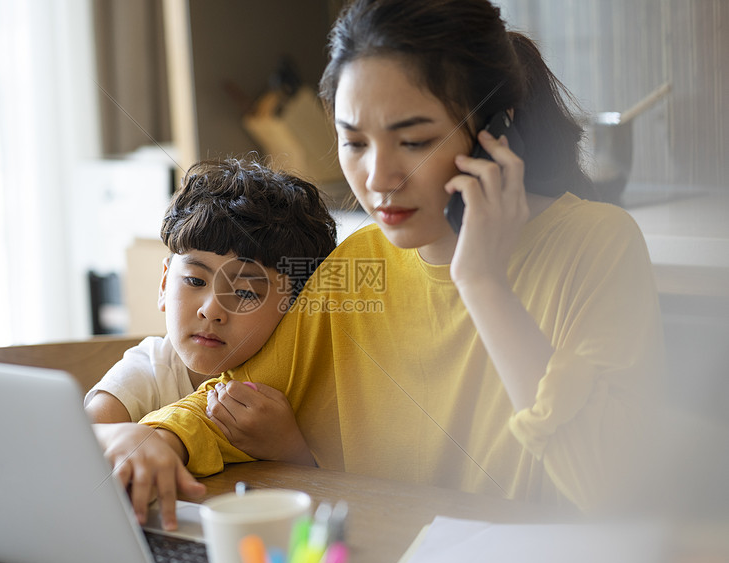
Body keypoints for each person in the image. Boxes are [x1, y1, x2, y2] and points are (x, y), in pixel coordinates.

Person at [102, 0, 664, 530]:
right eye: (354, 143)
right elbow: (230, 403)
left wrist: (482, 281)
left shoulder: (596, 244)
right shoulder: (361, 262)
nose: (378, 177)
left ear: (496, 132)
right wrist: (158, 439)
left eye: (414, 141)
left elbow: (608, 488)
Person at [90, 157, 337, 514]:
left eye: (246, 293)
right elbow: (73, 442)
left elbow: (342, 495)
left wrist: (289, 449)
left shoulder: (301, 377)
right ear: (164, 283)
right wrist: (117, 435)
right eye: (194, 281)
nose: (211, 309)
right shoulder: (150, 370)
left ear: (294, 310)